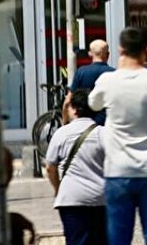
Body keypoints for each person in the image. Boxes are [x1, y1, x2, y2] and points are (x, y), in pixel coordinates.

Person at [89, 26, 147, 245]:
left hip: (118, 172)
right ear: (146, 50)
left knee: (118, 239)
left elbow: (93, 103)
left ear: (120, 49)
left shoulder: (107, 81)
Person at [46, 88, 107, 245]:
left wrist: (57, 188)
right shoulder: (103, 133)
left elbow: (50, 167)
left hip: (71, 199)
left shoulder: (61, 134)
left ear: (73, 108)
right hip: (100, 199)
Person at [72, 40, 114, 124]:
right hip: (107, 123)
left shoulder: (81, 72)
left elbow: (69, 99)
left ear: (90, 54)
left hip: (86, 123)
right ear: (108, 55)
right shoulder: (114, 73)